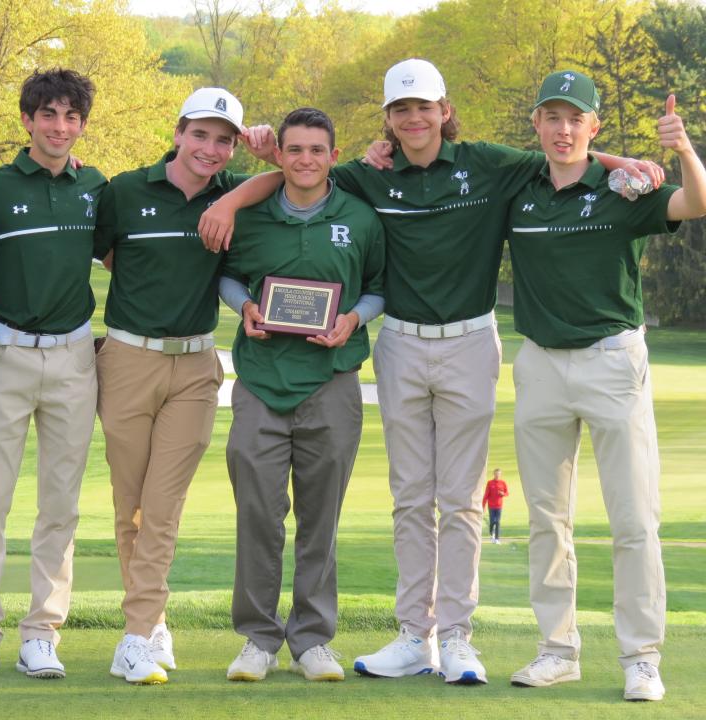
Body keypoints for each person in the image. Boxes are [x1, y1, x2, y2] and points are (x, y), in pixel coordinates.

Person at [197, 58, 657, 686]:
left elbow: (566, 155)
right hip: (402, 345)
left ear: (444, 110)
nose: (414, 118)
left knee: (462, 502)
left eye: (424, 107)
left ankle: (459, 637)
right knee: (411, 498)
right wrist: (230, 194)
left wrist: (623, 164)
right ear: (388, 118)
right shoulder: (366, 175)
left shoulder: (490, 162)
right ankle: (416, 635)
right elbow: (297, 172)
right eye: (401, 109)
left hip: (471, 340)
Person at [506, 71, 706, 702]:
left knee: (633, 518)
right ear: (536, 122)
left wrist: (680, 151)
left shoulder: (625, 190)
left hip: (612, 361)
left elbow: (695, 203)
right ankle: (557, 650)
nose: (563, 130)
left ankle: (641, 657)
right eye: (552, 117)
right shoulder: (517, 188)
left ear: (594, 126)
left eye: (576, 119)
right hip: (539, 364)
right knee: (546, 519)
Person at [93, 88, 261, 685]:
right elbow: (89, 255)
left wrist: (242, 184)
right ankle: (154, 620)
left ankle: (135, 638)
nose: (210, 149)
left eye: (225, 139)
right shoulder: (124, 191)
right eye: (201, 134)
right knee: (130, 507)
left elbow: (290, 178)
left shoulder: (236, 195)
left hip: (194, 368)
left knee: (162, 508)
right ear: (178, 131)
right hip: (127, 360)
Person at [219, 108, 385, 683]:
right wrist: (242, 306)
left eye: (317, 149)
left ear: (333, 156)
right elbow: (229, 274)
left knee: (322, 518)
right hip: (262, 383)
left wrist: (353, 320)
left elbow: (380, 287)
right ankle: (258, 639)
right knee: (258, 515)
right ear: (279, 156)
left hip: (332, 381)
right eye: (295, 149)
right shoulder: (253, 214)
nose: (306, 160)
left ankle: (313, 638)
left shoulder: (360, 219)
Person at [0, 69, 106, 681]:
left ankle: (42, 630)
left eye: (71, 117)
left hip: (74, 359)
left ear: (82, 125)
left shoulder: (97, 188)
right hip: (5, 356)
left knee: (60, 506)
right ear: (27, 120)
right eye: (48, 114)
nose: (60, 127)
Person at [482, 469, 509, 543]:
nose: (497, 475)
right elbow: (486, 495)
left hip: (499, 506)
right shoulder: (490, 483)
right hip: (491, 506)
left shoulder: (503, 483)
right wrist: (483, 506)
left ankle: (497, 539)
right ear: (493, 474)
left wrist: (503, 494)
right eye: (496, 474)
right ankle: (491, 534)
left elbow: (507, 493)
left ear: (500, 475)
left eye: (499, 474)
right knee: (492, 522)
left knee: (497, 522)